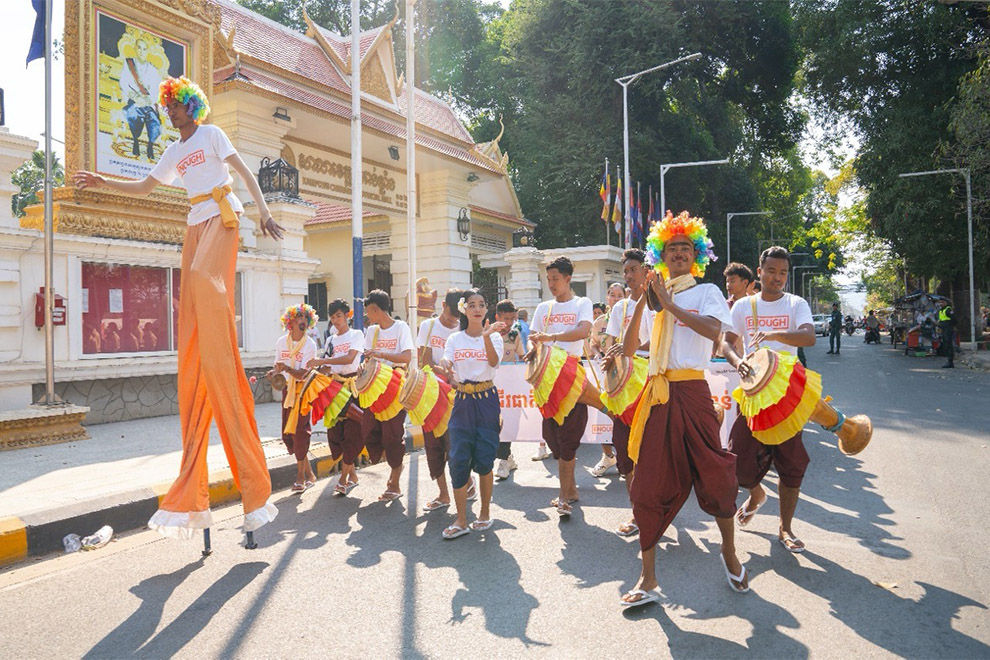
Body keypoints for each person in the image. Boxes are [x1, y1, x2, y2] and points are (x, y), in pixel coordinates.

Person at [74, 76, 283, 538]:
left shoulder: (211, 135)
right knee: (190, 289)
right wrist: (101, 180)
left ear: (193, 107)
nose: (170, 113)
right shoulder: (173, 151)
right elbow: (147, 187)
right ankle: (205, 338)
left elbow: (244, 171)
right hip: (194, 222)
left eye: (175, 106)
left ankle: (219, 325)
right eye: (167, 108)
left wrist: (264, 210)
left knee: (206, 283)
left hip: (223, 216)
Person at [620, 211, 747, 608]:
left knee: (717, 474)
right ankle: (649, 576)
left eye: (685, 248)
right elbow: (627, 350)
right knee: (646, 484)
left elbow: (714, 332)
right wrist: (644, 299)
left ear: (696, 255)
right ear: (661, 254)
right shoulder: (655, 299)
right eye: (671, 248)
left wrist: (670, 306)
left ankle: (728, 552)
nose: (677, 253)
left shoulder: (706, 292)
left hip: (692, 391)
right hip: (658, 395)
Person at [721, 246, 816, 554]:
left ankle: (785, 528)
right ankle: (756, 494)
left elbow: (808, 337)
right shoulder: (743, 306)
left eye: (783, 273)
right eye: (771, 271)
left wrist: (775, 336)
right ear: (759, 272)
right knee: (737, 462)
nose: (777, 278)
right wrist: (737, 362)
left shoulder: (795, 303)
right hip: (752, 395)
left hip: (788, 396)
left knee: (791, 464)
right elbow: (726, 342)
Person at [529, 256, 593, 517]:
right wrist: (533, 349)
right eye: (549, 280)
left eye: (556, 279)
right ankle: (571, 488)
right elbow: (534, 339)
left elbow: (584, 331)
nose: (552, 284)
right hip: (547, 380)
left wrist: (552, 338)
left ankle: (564, 495)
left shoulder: (582, 303)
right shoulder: (543, 308)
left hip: (572, 375)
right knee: (553, 437)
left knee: (569, 436)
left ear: (568, 278)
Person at [439, 290, 506, 539]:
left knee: (485, 456)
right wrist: (446, 366)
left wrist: (487, 337)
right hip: (463, 401)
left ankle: (485, 513)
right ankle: (461, 519)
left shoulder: (494, 337)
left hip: (486, 399)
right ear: (464, 310)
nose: (476, 309)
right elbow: (447, 360)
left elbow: (493, 361)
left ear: (485, 310)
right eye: (471, 305)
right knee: (457, 457)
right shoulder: (455, 339)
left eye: (481, 304)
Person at [601, 248, 652, 535]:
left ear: (647, 271)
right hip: (623, 390)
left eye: (635, 269)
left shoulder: (659, 304)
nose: (630, 275)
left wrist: (633, 349)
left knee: (650, 453)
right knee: (625, 455)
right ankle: (637, 512)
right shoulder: (619, 308)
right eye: (627, 271)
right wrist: (611, 355)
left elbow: (660, 344)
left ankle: (655, 508)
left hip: (651, 386)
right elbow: (612, 342)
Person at [418, 289, 472, 512]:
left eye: (457, 318)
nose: (452, 321)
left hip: (457, 396)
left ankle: (467, 483)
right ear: (442, 306)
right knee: (433, 446)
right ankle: (443, 494)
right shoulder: (428, 327)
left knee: (455, 444)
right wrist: (445, 373)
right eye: (450, 316)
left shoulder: (464, 328)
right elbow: (424, 361)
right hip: (431, 395)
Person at [307, 299, 365, 496]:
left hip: (352, 388)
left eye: (339, 316)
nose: (336, 321)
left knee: (352, 432)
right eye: (332, 317)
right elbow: (326, 367)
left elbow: (349, 359)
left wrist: (323, 360)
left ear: (347, 315)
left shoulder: (357, 335)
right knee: (336, 434)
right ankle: (353, 476)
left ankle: (342, 480)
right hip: (333, 389)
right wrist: (313, 370)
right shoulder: (331, 340)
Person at [363, 289, 415, 501]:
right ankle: (394, 463)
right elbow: (366, 359)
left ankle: (394, 479)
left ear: (376, 309)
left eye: (369, 312)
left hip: (395, 384)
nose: (367, 316)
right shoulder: (371, 332)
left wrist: (382, 354)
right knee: (369, 430)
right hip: (374, 388)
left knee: (392, 435)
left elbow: (406, 358)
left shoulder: (401, 327)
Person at [270, 304, 319, 492]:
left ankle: (300, 477)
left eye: (305, 318)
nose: (302, 321)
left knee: (300, 433)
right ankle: (309, 473)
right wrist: (273, 373)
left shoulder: (310, 345)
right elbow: (278, 367)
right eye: (298, 318)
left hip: (303, 392)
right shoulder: (281, 342)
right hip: (287, 392)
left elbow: (305, 374)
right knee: (288, 434)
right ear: (290, 322)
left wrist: (288, 369)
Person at [494, 299, 526, 480]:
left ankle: (505, 458)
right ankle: (506, 458)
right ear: (497, 316)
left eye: (512, 319)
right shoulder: (488, 334)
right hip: (491, 387)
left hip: (510, 388)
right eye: (506, 318)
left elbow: (522, 356)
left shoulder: (515, 335)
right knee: (494, 423)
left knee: (510, 421)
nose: (509, 323)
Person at [118, 38, 163, 160]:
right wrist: (136, 97)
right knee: (133, 115)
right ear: (135, 49)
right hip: (135, 101)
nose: (141, 52)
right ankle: (136, 141)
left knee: (155, 122)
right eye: (139, 48)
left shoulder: (153, 70)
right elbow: (123, 83)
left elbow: (157, 89)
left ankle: (150, 145)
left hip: (148, 104)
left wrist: (149, 100)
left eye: (144, 49)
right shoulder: (129, 65)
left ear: (147, 51)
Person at [938, 298, 955, 368]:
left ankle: (950, 361)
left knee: (948, 344)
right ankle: (948, 360)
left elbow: (954, 319)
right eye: (940, 302)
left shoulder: (948, 310)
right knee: (945, 344)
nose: (940, 304)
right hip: (944, 330)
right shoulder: (941, 310)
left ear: (945, 303)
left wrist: (950, 326)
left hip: (948, 330)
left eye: (942, 302)